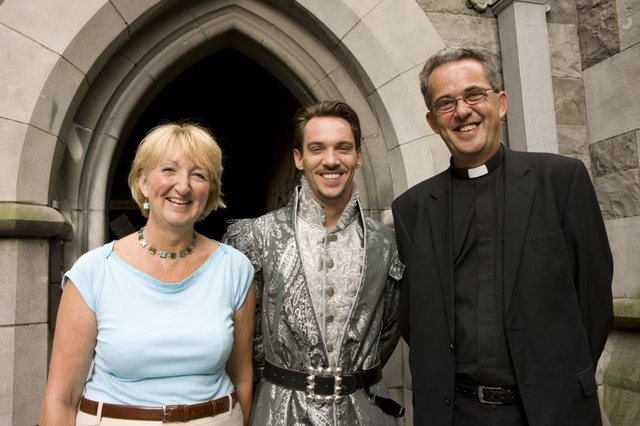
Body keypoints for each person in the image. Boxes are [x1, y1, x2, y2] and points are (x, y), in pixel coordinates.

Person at [391, 46, 614, 426]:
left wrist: (561, 384)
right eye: (446, 103)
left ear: (502, 102)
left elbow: (593, 302)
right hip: (455, 415)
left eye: (474, 94)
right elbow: (416, 321)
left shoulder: (561, 181)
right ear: (433, 122)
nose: (462, 111)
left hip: (552, 411)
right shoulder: (411, 209)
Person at [39, 122, 256, 426]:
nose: (183, 186)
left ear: (210, 191)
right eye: (169, 170)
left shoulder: (235, 268)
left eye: (198, 175)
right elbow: (61, 398)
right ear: (142, 182)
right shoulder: (94, 271)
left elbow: (243, 380)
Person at [222, 100, 405, 425]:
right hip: (281, 413)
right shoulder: (256, 237)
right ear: (299, 158)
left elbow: (389, 329)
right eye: (317, 148)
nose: (331, 160)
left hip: (365, 414)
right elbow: (243, 343)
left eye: (343, 148)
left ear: (358, 157)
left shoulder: (386, 244)